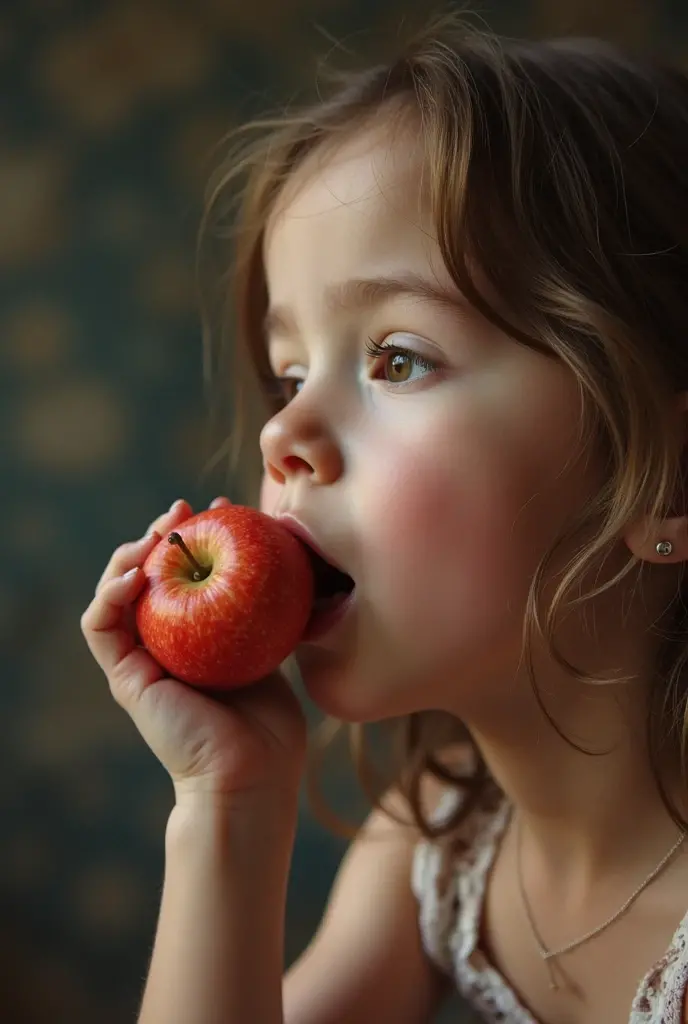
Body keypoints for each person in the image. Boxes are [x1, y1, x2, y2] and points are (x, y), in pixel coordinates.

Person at [81, 11, 688, 1024]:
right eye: (286, 375)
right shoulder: (445, 829)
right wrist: (228, 807)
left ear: (663, 476)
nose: (284, 437)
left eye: (396, 357)